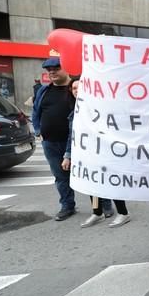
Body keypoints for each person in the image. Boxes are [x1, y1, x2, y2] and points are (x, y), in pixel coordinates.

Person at [61, 78, 130, 228]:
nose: (77, 90)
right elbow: (72, 136)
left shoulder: (100, 108)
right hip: (86, 153)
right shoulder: (74, 112)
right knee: (91, 181)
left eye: (81, 87)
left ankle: (123, 213)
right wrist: (68, 155)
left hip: (104, 152)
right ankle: (97, 212)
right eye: (74, 88)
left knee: (112, 181)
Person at [32, 57, 77, 221]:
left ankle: (101, 207)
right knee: (60, 177)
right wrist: (37, 130)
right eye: (49, 70)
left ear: (67, 68)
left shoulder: (76, 89)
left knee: (86, 175)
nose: (52, 72)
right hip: (50, 143)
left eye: (56, 68)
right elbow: (36, 111)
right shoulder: (43, 91)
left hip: (76, 143)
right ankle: (67, 206)